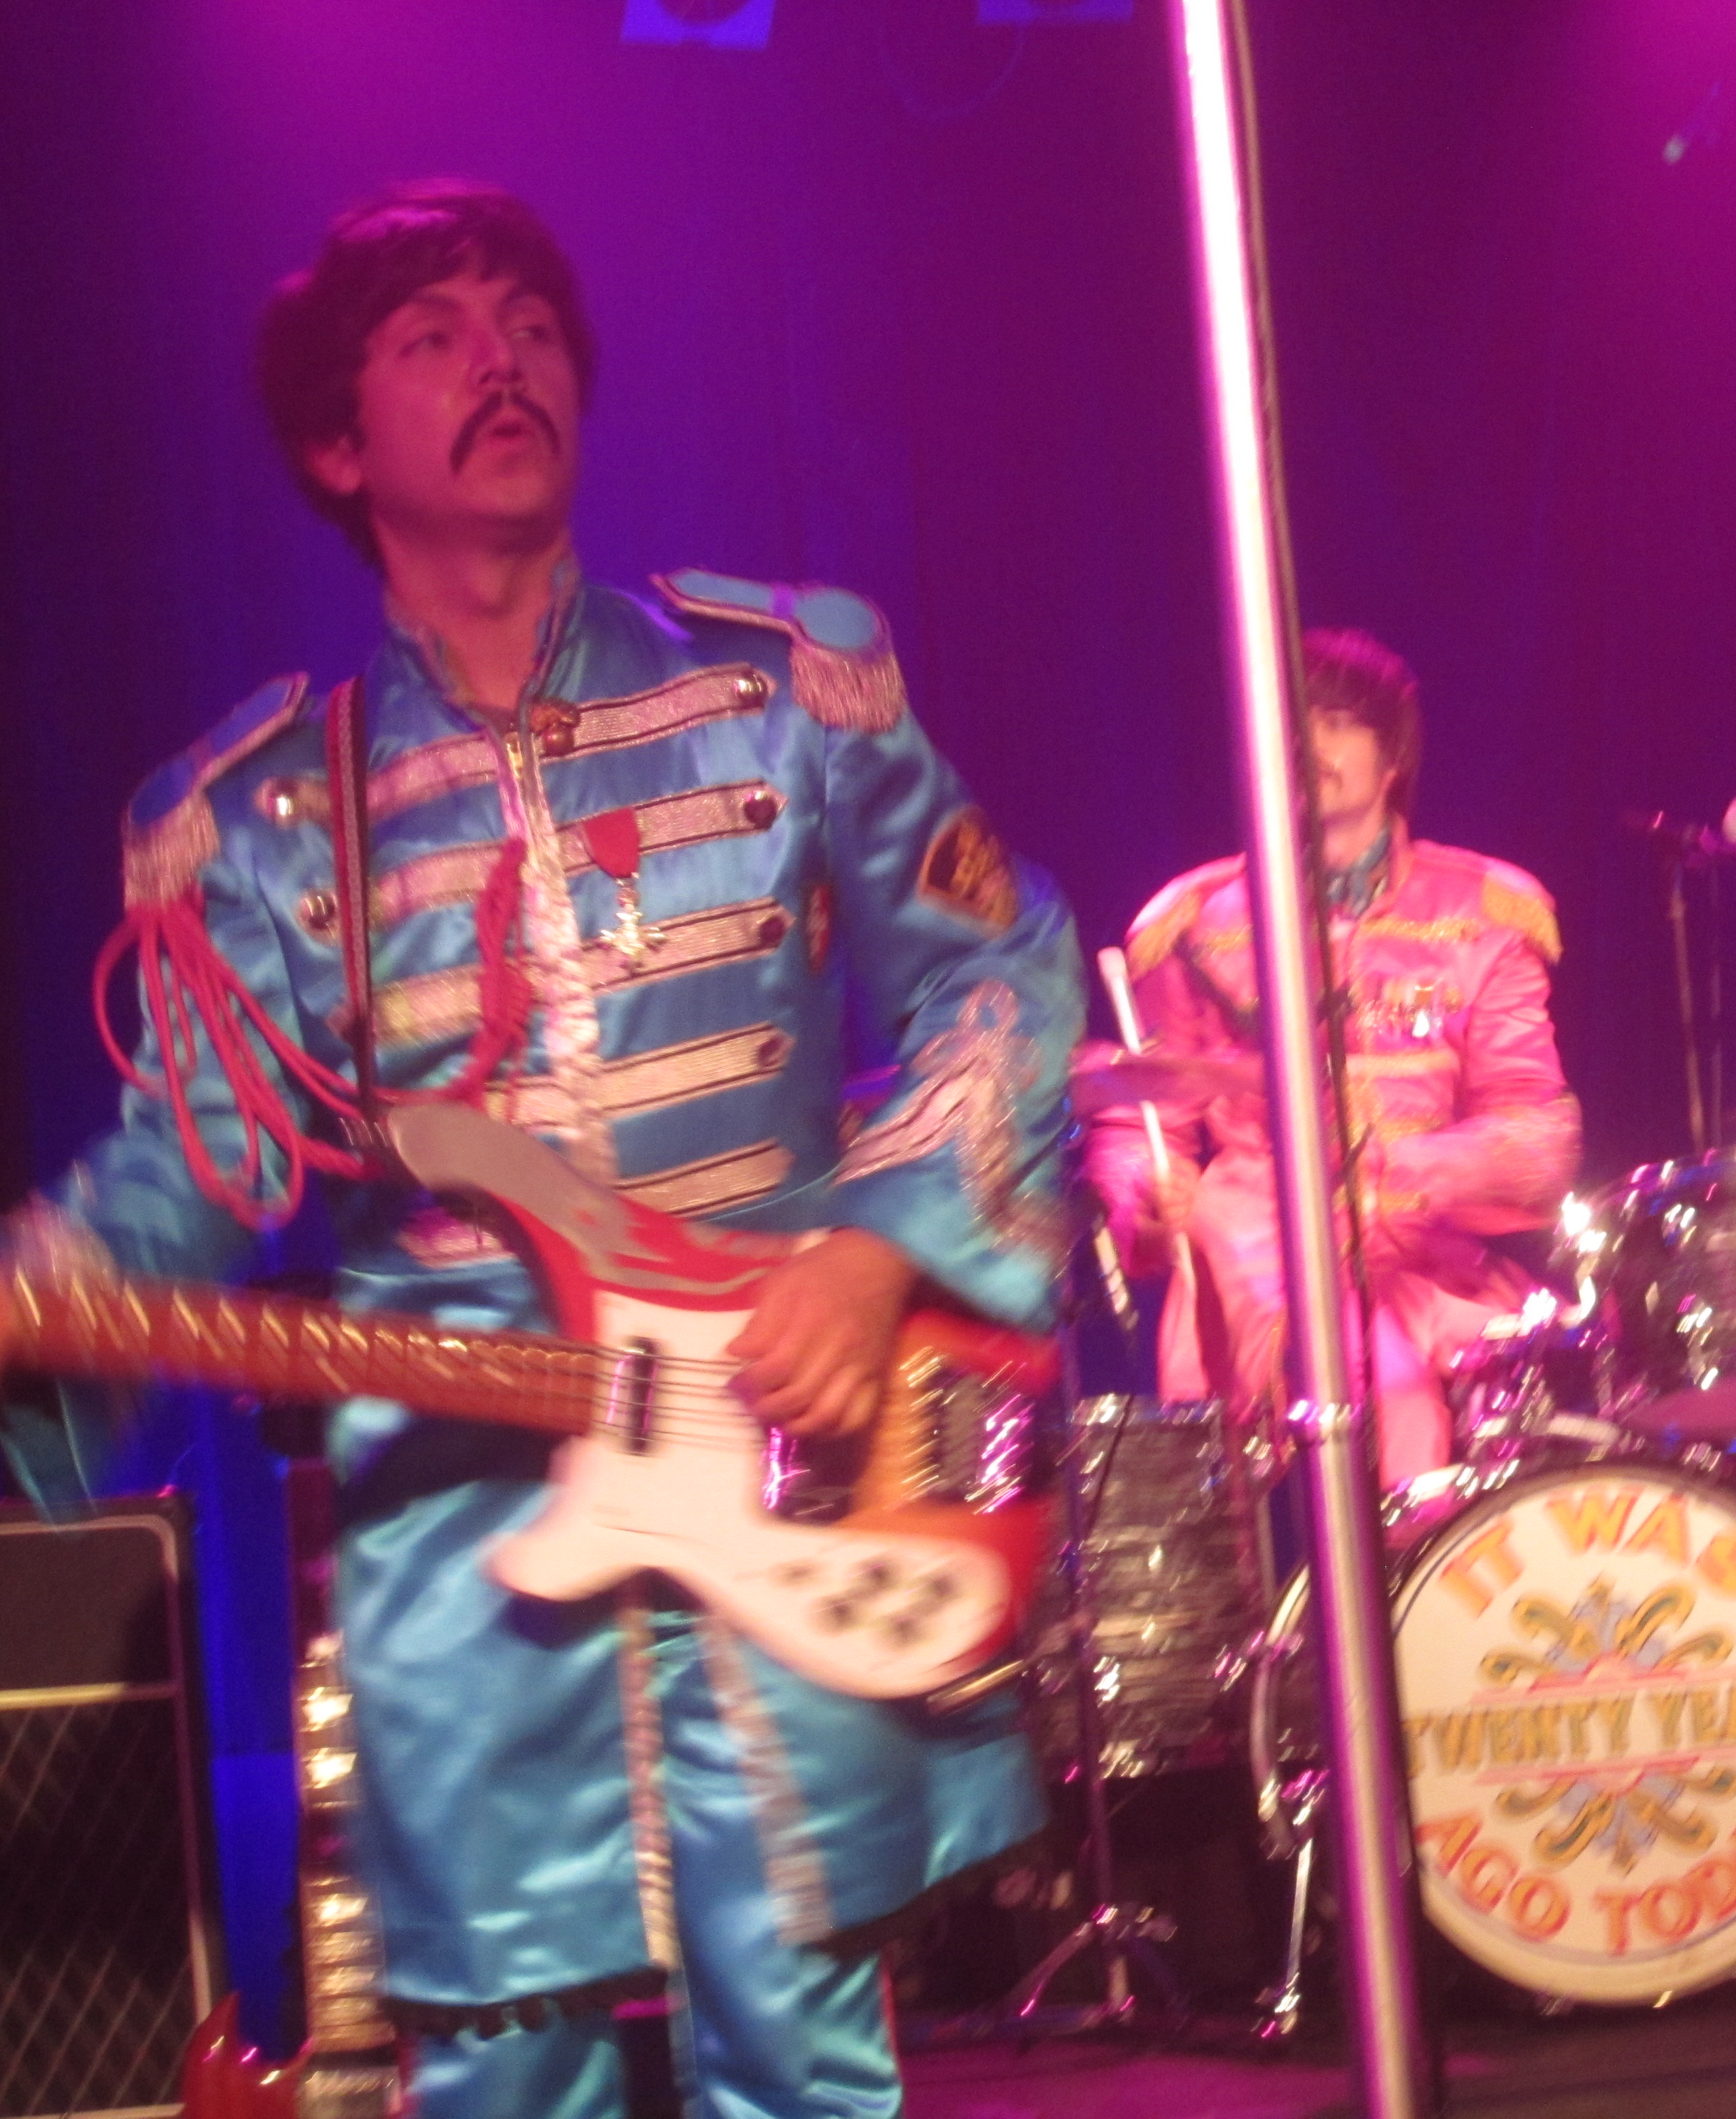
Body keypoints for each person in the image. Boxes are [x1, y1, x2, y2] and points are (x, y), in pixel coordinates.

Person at [0, 182, 1083, 2117]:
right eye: (433, 338)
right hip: (466, 1520)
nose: (501, 362)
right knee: (506, 2078)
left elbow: (996, 968)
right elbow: (186, 1172)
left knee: (808, 2053)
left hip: (806, 1430)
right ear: (338, 448)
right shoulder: (264, 816)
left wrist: (881, 1250)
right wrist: (42, 1292)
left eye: (528, 326)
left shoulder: (785, 690)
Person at [1086, 630, 1579, 1486]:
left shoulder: (1488, 912)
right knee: (1366, 1380)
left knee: (1557, 1395)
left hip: (1430, 1262)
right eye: (1290, 725)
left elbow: (1536, 1130)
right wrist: (1147, 1198)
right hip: (1257, 1264)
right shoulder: (1193, 923)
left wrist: (1401, 1173)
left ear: (1393, 760)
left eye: (1339, 723)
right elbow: (1138, 1125)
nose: (1309, 745)